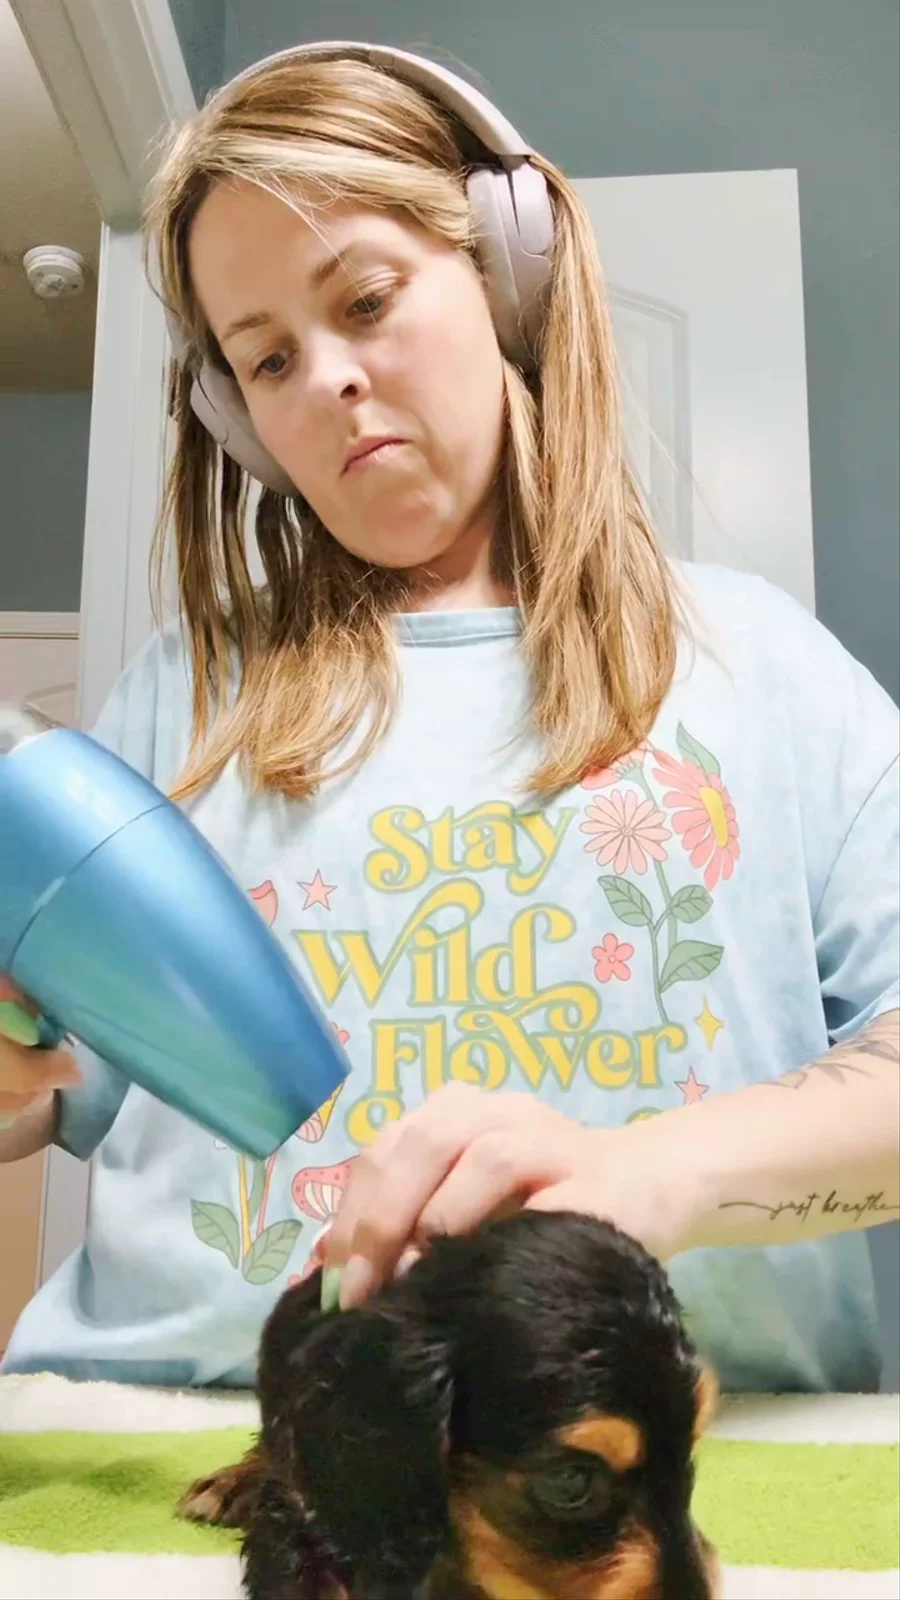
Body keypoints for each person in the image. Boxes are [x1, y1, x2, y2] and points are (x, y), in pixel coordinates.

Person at [1, 42, 897, 1395]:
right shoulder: (181, 697)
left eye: (364, 300)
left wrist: (654, 1173)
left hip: (648, 1468)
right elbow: (55, 1089)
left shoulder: (764, 665)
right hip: (178, 1443)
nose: (325, 381)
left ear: (507, 270)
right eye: (267, 360)